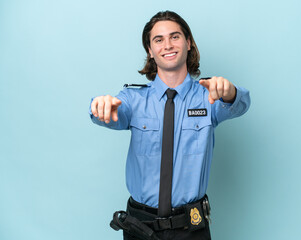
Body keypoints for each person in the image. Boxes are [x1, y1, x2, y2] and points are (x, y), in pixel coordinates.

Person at [89, 10, 250, 240]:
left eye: (175, 36)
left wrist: (230, 92)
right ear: (150, 51)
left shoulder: (209, 96)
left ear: (189, 43)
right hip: (140, 226)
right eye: (158, 39)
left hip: (191, 227)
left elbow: (241, 104)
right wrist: (99, 106)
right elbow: (111, 113)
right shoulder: (133, 99)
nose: (167, 45)